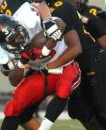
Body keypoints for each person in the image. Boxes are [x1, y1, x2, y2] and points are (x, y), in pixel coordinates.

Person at [0, 0, 66, 130]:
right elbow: (7, 69)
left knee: (83, 107)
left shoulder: (13, 6)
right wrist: (19, 61)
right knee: (18, 111)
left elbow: (42, 5)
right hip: (34, 65)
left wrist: (48, 22)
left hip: (58, 50)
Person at [0, 3, 82, 128]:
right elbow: (13, 80)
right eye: (13, 40)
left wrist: (48, 26)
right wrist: (22, 61)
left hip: (63, 66)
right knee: (14, 106)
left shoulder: (28, 19)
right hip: (41, 73)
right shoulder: (2, 52)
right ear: (5, 45)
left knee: (64, 87)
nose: (19, 39)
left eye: (18, 33)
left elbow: (60, 23)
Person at [45, 0, 106, 129]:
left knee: (101, 110)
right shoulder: (43, 9)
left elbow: (77, 48)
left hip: (92, 61)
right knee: (79, 110)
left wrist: (49, 67)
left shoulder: (63, 7)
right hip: (77, 67)